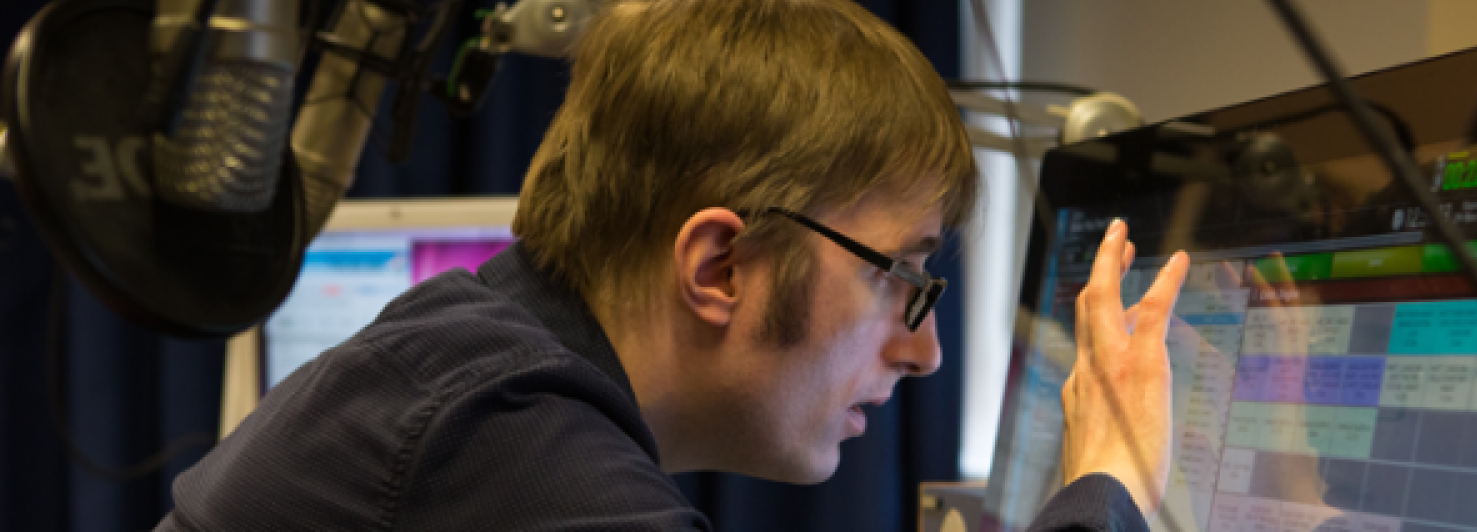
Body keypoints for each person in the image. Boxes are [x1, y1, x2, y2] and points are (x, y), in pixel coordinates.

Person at [157, 0, 1189, 530]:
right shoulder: (505, 435)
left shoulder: (474, 350)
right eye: (897, 275)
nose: (923, 351)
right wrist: (1109, 486)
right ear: (720, 265)